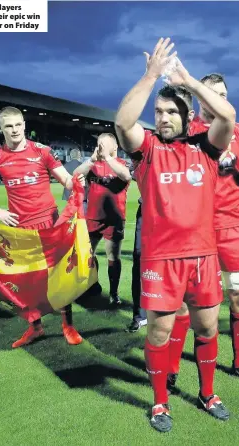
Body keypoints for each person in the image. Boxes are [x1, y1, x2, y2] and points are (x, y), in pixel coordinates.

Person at [115, 37, 235, 432]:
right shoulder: (146, 149)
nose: (163, 117)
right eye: (159, 111)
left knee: (207, 328)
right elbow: (123, 123)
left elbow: (228, 117)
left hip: (202, 256)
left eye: (170, 112)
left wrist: (189, 81)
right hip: (160, 260)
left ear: (186, 116)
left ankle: (207, 393)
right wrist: (151, 76)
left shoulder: (206, 147)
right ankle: (161, 403)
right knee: (161, 330)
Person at [0, 106, 84, 348]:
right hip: (20, 230)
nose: (14, 130)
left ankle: (68, 325)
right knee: (27, 281)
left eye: (18, 125)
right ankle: (36, 328)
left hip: (49, 223)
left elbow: (65, 179)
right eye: (9, 126)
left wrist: (78, 181)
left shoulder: (42, 151)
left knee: (59, 275)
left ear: (24, 125)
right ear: (0, 128)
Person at [168, 73, 239, 390]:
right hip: (195, 234)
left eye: (224, 94)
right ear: (199, 97)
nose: (220, 99)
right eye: (213, 94)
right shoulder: (184, 133)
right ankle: (171, 369)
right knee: (184, 305)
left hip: (233, 231)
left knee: (237, 296)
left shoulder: (236, 134)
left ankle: (238, 362)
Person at [74, 133, 131, 305]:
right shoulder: (93, 165)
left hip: (114, 219)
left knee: (113, 256)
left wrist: (107, 157)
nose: (101, 148)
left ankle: (114, 293)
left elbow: (126, 176)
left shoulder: (122, 164)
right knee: (87, 255)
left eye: (105, 145)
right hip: (92, 218)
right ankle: (94, 286)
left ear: (115, 147)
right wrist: (92, 159)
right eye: (99, 144)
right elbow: (76, 175)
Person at [125, 196, 147, 332]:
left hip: (175, 209)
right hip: (147, 210)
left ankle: (180, 313)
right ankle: (140, 316)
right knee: (140, 262)